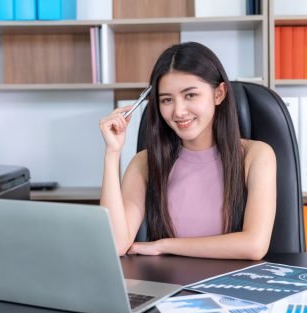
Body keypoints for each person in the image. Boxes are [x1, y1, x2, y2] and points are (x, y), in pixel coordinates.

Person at [99, 42, 276, 260]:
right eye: (166, 100)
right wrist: (112, 153)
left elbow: (254, 246)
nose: (179, 111)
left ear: (219, 94)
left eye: (190, 95)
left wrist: (164, 245)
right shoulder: (144, 162)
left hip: (232, 289)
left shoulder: (256, 155)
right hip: (169, 287)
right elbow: (115, 245)